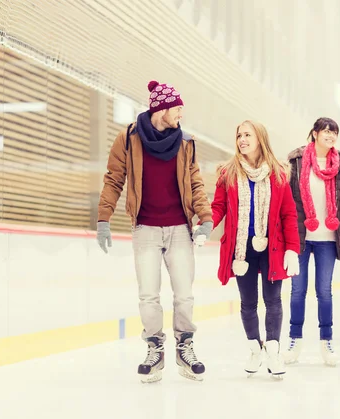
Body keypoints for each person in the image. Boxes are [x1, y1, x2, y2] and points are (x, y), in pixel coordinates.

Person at [96, 80, 214, 383]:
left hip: (179, 229)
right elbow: (113, 179)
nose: (180, 116)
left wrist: (205, 216)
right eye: (177, 110)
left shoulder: (185, 141)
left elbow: (196, 183)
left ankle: (185, 347)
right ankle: (154, 350)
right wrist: (103, 218)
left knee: (184, 295)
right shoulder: (128, 139)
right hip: (145, 228)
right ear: (161, 109)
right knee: (148, 296)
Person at [210, 120, 300, 379]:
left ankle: (273, 350)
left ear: (260, 138)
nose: (242, 140)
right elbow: (218, 208)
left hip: (271, 248)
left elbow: (288, 214)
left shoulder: (279, 173)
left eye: (247, 135)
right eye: (239, 135)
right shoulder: (228, 173)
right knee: (248, 303)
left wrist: (292, 249)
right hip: (241, 251)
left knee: (272, 301)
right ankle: (254, 348)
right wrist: (205, 224)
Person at [283, 117, 340, 366]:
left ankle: (326, 342)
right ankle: (294, 340)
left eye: (334, 132)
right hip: (301, 238)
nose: (330, 135)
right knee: (297, 292)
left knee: (324, 293)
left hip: (328, 239)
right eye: (326, 131)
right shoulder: (296, 163)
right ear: (315, 134)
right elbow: (288, 203)